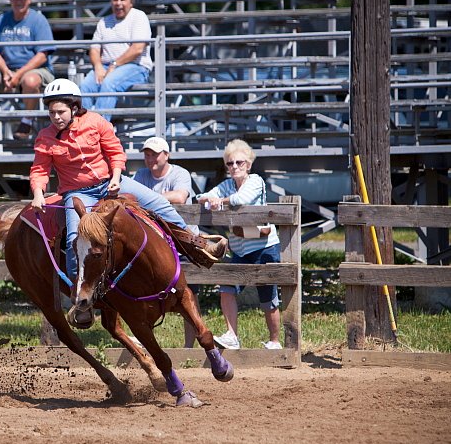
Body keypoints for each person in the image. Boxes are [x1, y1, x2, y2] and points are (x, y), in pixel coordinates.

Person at [29, 79, 198, 285]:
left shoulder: (96, 122)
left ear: (74, 108)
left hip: (110, 183)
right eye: (52, 113)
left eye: (61, 112)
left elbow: (115, 152)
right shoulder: (45, 137)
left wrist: (116, 178)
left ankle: (194, 244)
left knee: (159, 204)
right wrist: (38, 194)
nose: (56, 117)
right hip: (78, 194)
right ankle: (79, 288)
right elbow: (40, 169)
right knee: (76, 236)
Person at [197, 139, 283, 350]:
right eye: (230, 163)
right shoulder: (227, 184)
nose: (234, 167)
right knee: (226, 288)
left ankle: (275, 341)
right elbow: (202, 196)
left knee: (268, 297)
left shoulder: (256, 181)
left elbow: (240, 199)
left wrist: (219, 202)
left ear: (249, 164)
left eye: (239, 162)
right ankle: (232, 336)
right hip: (240, 248)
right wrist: (211, 199)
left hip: (264, 247)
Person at [133, 136, 198, 348]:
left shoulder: (179, 173)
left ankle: (190, 345)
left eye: (155, 154)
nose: (150, 158)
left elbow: (180, 197)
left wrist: (149, 196)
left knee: (188, 294)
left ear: (166, 155)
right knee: (143, 289)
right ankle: (146, 339)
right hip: (156, 242)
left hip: (181, 240)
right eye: (147, 154)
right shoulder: (142, 174)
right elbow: (130, 199)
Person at [0, 0, 55, 140]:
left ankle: (27, 122)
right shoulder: (2, 19)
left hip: (35, 69)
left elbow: (42, 55)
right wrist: (6, 71)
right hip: (6, 69)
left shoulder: (39, 20)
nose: (18, 1)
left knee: (30, 81)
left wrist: (18, 74)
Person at [80, 0, 152, 122]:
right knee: (85, 86)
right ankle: (83, 130)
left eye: (122, 0)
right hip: (107, 66)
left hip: (136, 66)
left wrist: (114, 64)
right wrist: (98, 66)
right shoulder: (104, 21)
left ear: (131, 1)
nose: (118, 3)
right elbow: (94, 49)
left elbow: (137, 49)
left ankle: (99, 131)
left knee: (109, 83)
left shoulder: (139, 17)